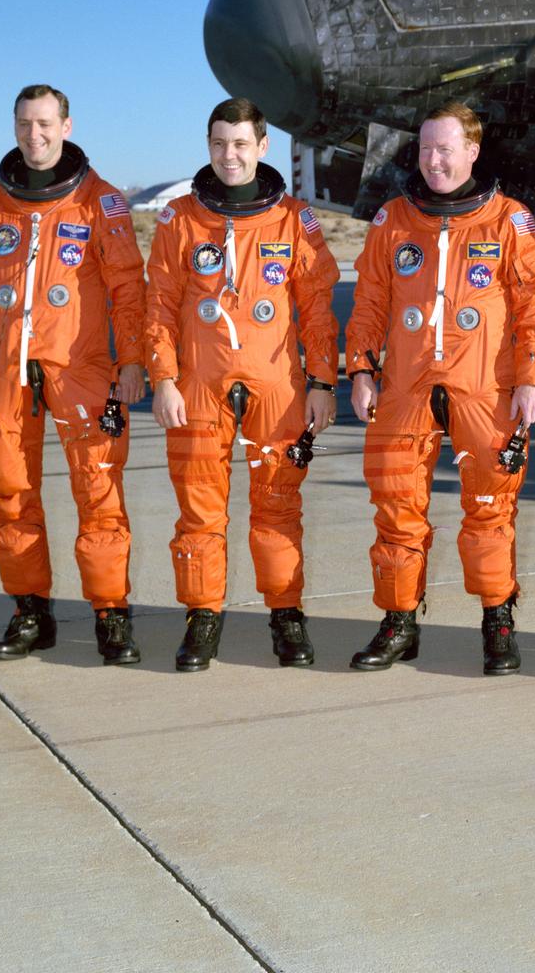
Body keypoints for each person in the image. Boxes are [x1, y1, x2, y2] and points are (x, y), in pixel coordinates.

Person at [345, 101, 535, 674]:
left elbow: (534, 308)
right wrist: (361, 370)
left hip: (485, 388)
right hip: (404, 389)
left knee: (490, 508)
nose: (433, 160)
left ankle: (498, 621)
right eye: (425, 149)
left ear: (472, 151)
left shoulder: (508, 219)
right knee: (396, 509)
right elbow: (369, 301)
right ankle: (398, 623)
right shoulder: (394, 219)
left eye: (445, 149)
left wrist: (531, 378)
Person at [0, 84, 147, 664]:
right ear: (14, 127)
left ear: (66, 126)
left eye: (43, 124)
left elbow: (127, 290)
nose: (33, 135)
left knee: (99, 492)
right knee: (10, 495)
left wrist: (132, 360)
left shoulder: (100, 201)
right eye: (23, 124)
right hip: (2, 372)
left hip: (79, 370)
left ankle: (111, 613)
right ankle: (30, 612)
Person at [146, 98, 339, 672]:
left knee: (277, 505)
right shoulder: (180, 218)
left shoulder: (293, 219)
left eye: (239, 143)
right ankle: (202, 616)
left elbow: (317, 310)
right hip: (198, 385)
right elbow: (158, 306)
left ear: (262, 146)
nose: (228, 155)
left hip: (276, 385)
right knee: (199, 511)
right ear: (208, 145)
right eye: (218, 143)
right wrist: (163, 378)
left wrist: (323, 382)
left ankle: (285, 613)